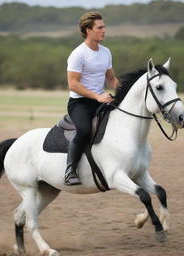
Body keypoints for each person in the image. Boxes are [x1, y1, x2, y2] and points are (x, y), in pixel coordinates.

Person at [64, 11, 120, 186]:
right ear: (88, 30)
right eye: (100, 27)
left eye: (104, 26)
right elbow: (73, 84)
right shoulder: (78, 54)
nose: (104, 30)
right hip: (79, 102)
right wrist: (97, 96)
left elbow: (110, 78)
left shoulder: (106, 52)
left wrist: (125, 90)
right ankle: (70, 171)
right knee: (84, 129)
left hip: (101, 100)